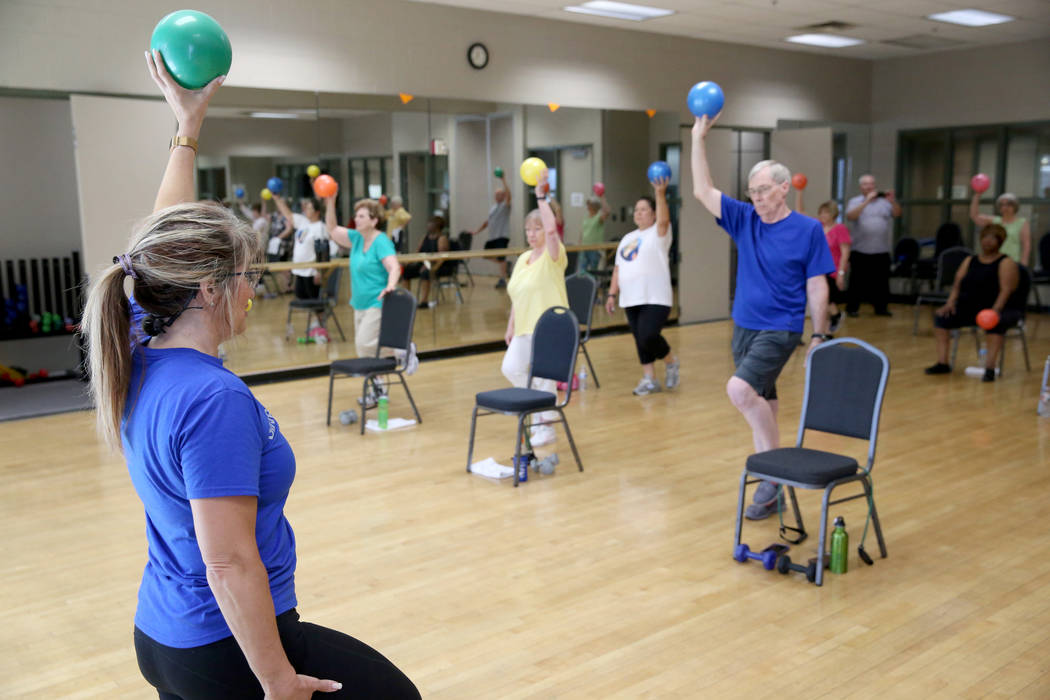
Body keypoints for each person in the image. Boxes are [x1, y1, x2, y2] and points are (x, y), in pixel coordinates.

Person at [77, 49, 418, 700]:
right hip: (223, 646)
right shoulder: (212, 399)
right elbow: (229, 562)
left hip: (164, 633)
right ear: (208, 289)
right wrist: (277, 680)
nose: (252, 292)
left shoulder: (140, 341)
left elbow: (159, 243)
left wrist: (187, 128)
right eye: (246, 278)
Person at [691, 113, 834, 520]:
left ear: (784, 189)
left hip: (781, 328)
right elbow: (702, 189)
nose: (756, 197)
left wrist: (819, 334)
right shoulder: (744, 218)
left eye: (764, 190)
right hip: (744, 327)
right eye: (752, 191)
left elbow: (817, 285)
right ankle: (772, 494)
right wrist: (698, 138)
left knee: (739, 391)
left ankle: (773, 476)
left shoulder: (808, 230)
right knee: (764, 404)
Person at [503, 169, 568, 448]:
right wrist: (511, 325)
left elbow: (553, 230)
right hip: (524, 327)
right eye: (528, 229)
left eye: (537, 228)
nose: (532, 234)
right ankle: (537, 411)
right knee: (511, 368)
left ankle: (546, 426)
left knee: (544, 380)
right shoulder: (524, 259)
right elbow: (517, 294)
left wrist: (541, 196)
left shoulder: (555, 255)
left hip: (550, 328)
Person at [605, 181, 679, 395]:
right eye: (636, 210)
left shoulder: (659, 233)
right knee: (639, 339)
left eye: (644, 209)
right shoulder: (628, 238)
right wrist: (611, 294)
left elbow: (665, 219)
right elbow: (618, 269)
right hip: (630, 297)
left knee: (648, 335)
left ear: (654, 214)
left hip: (655, 296)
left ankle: (670, 361)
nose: (638, 213)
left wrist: (660, 193)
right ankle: (650, 379)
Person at [924, 224, 1020, 382]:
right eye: (985, 238)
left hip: (998, 308)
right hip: (970, 307)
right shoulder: (970, 260)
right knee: (942, 318)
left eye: (993, 238)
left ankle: (989, 368)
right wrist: (949, 303)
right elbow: (957, 284)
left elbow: (1006, 290)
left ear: (1000, 242)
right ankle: (943, 363)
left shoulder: (1005, 262)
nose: (988, 242)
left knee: (994, 324)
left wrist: (995, 311)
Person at [324, 196, 400, 365]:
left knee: (364, 343)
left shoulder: (381, 241)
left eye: (361, 216)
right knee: (363, 352)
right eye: (356, 216)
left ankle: (401, 350)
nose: (356, 219)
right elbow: (332, 228)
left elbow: (394, 267)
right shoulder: (356, 238)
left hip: (378, 301)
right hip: (359, 303)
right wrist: (330, 201)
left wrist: (390, 286)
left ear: (374, 221)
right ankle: (378, 388)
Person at [844, 174, 899, 317]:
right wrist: (866, 202)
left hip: (881, 250)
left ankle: (881, 308)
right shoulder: (855, 201)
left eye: (871, 184)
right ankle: (852, 308)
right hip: (860, 249)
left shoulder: (884, 202)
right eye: (866, 184)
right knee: (856, 281)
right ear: (861, 187)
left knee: (881, 282)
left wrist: (892, 201)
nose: (869, 187)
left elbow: (898, 213)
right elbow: (850, 216)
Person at [798, 192, 851, 334]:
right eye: (821, 213)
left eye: (826, 213)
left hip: (832, 270)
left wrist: (841, 273)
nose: (822, 216)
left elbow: (845, 252)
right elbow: (801, 214)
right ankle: (826, 332)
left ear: (833, 214)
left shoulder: (840, 229)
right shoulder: (818, 227)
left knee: (825, 299)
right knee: (822, 301)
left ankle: (835, 317)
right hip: (818, 269)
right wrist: (799, 192)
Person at [273, 194, 329, 300]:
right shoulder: (303, 221)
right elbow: (288, 215)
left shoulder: (321, 228)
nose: (306, 209)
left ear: (317, 212)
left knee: (315, 302)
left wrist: (319, 272)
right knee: (301, 296)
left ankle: (320, 317)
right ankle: (315, 316)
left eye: (309, 208)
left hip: (311, 272)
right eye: (306, 207)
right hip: (299, 270)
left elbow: (323, 252)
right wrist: (277, 199)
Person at [970, 190, 1030, 266]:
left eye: (1009, 204)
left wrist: (1023, 264)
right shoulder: (995, 221)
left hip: (1012, 262)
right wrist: (977, 195)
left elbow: (1026, 245)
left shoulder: (1022, 222)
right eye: (1002, 205)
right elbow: (975, 216)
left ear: (1015, 206)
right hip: (994, 261)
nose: (1005, 207)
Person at [401, 215, 449, 308]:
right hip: (424, 263)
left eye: (430, 224)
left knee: (425, 273)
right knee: (406, 271)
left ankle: (424, 301)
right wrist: (408, 261)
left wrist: (431, 267)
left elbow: (441, 258)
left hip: (439, 266)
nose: (428, 225)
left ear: (436, 226)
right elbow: (417, 252)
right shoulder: (425, 237)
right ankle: (407, 300)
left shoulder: (442, 239)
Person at [474, 171, 512, 288]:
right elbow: (487, 222)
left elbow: (509, 196)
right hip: (493, 236)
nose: (497, 196)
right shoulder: (493, 207)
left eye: (500, 194)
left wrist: (503, 179)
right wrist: (476, 231)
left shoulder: (505, 206)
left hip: (502, 236)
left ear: (503, 196)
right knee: (486, 255)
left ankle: (502, 279)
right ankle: (506, 264)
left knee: (500, 257)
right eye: (496, 194)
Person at [579, 193, 610, 273]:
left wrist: (602, 197)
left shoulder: (598, 217)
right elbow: (582, 232)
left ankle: (594, 285)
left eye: (590, 204)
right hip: (584, 248)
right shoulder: (586, 217)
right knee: (582, 271)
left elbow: (607, 212)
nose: (588, 206)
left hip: (595, 249)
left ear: (595, 206)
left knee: (593, 272)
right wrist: (579, 245)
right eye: (588, 204)